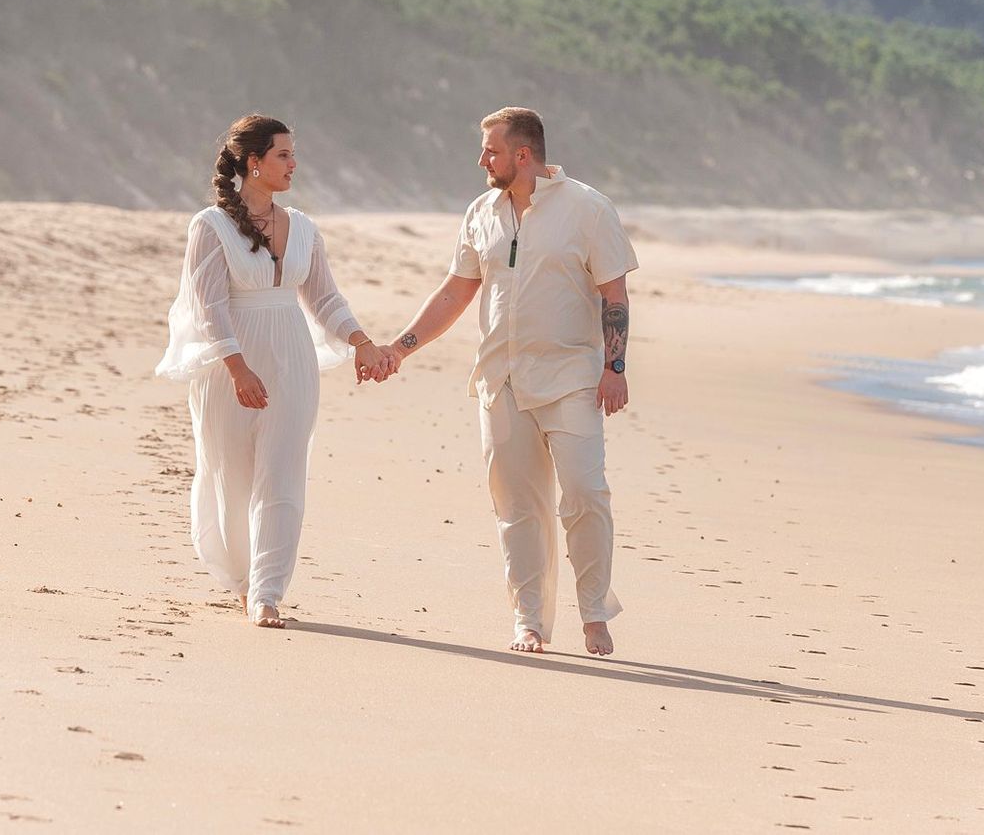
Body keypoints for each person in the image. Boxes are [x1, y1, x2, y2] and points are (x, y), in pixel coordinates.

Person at [383, 107, 637, 655]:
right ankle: (530, 621)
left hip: (572, 377)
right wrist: (401, 348)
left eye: (491, 151)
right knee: (518, 509)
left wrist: (615, 369)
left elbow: (614, 296)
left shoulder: (588, 209)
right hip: (500, 381)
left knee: (586, 495)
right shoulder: (481, 212)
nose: (481, 161)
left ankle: (593, 611)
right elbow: (456, 291)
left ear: (523, 155)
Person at [155, 115, 394, 628]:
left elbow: (325, 297)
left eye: (293, 154)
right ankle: (241, 580)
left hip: (292, 360)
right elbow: (209, 307)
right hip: (230, 366)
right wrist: (238, 369)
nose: (293, 164)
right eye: (283, 155)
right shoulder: (210, 226)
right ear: (253, 162)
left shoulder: (304, 227)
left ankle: (266, 592)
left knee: (282, 478)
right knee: (233, 479)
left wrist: (362, 343)